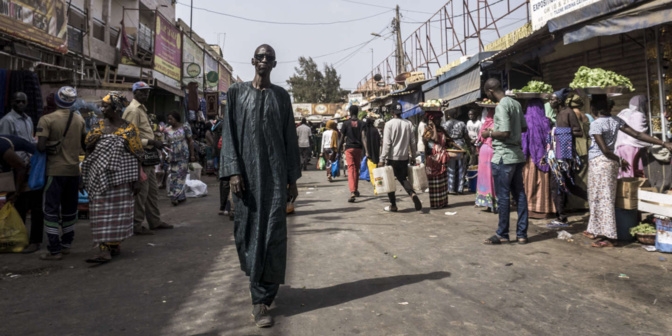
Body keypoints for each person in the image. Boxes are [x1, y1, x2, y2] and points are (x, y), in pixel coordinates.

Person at [219, 44, 301, 328]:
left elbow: (290, 138)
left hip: (276, 178)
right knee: (248, 232)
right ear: (253, 61)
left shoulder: (281, 97)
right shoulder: (236, 93)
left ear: (274, 64)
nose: (264, 60)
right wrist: (232, 171)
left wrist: (292, 178)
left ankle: (261, 299)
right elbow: (229, 133)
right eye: (260, 56)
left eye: (269, 57)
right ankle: (260, 286)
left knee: (273, 232)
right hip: (246, 179)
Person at [584, 95, 672, 247]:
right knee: (605, 198)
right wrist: (663, 142)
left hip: (601, 163)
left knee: (601, 199)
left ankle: (610, 237)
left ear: (593, 108)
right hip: (610, 163)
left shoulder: (597, 124)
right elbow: (638, 134)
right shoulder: (616, 120)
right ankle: (598, 230)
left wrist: (620, 160)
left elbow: (604, 150)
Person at [81, 92, 143, 264]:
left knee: (118, 214)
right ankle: (103, 250)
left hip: (122, 180)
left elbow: (137, 154)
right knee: (100, 213)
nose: (102, 109)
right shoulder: (98, 126)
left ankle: (113, 245)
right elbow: (88, 149)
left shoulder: (129, 129)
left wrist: (137, 179)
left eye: (106, 106)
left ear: (115, 108)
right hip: (100, 177)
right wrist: (84, 174)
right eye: (102, 105)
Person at [35, 86, 87, 260]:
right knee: (69, 209)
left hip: (54, 171)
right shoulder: (80, 120)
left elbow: (41, 146)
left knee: (50, 210)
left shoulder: (46, 120)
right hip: (73, 171)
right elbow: (85, 146)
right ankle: (66, 245)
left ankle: (54, 249)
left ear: (56, 99)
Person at [481, 78, 529, 245]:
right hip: (517, 155)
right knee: (520, 195)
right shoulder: (515, 103)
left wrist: (489, 133)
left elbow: (505, 133)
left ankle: (502, 234)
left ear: (490, 92)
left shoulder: (501, 106)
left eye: (487, 93)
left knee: (503, 196)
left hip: (504, 156)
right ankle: (522, 234)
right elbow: (523, 128)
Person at [122, 81, 173, 235]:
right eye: (143, 92)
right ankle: (136, 225)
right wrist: (150, 141)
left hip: (148, 155)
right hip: (139, 156)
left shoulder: (142, 110)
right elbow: (128, 136)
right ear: (135, 93)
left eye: (147, 92)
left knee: (152, 192)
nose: (146, 95)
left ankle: (155, 221)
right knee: (141, 193)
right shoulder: (133, 110)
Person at [0, 92, 43, 254]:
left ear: (26, 103)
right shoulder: (7, 121)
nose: (19, 104)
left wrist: (29, 165)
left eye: (22, 101)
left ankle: (35, 241)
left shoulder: (28, 119)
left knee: (35, 205)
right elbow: (8, 148)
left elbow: (29, 142)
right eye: (16, 101)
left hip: (30, 166)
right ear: (11, 102)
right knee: (19, 205)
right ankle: (19, 238)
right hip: (18, 167)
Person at [547, 90, 588, 226]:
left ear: (559, 100)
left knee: (557, 185)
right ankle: (593, 202)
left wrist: (560, 132)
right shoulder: (558, 114)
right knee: (567, 185)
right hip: (557, 155)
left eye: (552, 99)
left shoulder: (568, 112)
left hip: (565, 157)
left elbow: (578, 132)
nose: (550, 102)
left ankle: (562, 217)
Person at [380, 102, 422, 212]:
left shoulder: (389, 124)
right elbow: (413, 142)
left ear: (392, 112)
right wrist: (413, 156)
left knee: (390, 181)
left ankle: (393, 205)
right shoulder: (408, 123)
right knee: (403, 178)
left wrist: (382, 159)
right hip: (404, 157)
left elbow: (387, 143)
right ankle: (412, 194)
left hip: (392, 158)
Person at [521, 98, 555, 219]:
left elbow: (523, 141)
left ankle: (531, 209)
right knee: (544, 183)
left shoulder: (525, 120)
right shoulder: (546, 121)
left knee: (530, 182)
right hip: (544, 158)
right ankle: (546, 209)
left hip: (530, 157)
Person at [565, 93, 591, 211]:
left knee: (575, 178)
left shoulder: (573, 114)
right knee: (584, 178)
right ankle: (585, 204)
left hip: (576, 149)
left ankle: (576, 205)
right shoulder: (585, 116)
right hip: (585, 148)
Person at [163, 111, 195, 206]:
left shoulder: (185, 127)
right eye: (168, 119)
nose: (169, 121)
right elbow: (165, 144)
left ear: (176, 118)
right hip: (172, 156)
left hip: (183, 155)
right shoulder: (167, 130)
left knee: (181, 176)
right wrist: (164, 157)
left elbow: (191, 141)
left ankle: (175, 196)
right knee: (173, 177)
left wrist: (192, 155)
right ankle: (180, 196)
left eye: (171, 119)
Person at [615, 95, 648, 178]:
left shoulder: (622, 113)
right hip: (633, 149)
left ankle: (625, 189)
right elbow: (639, 134)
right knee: (634, 173)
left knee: (624, 173)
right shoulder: (638, 115)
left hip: (620, 147)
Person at [423, 111, 450, 209]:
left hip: (441, 157)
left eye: (439, 119)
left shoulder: (442, 129)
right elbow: (435, 139)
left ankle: (443, 202)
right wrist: (433, 126)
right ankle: (436, 204)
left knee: (442, 181)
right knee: (435, 181)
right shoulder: (428, 130)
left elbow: (448, 140)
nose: (439, 121)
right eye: (436, 119)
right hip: (432, 158)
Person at [442, 109, 472, 194]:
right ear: (456, 115)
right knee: (461, 168)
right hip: (460, 147)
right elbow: (466, 137)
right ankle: (459, 188)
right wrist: (469, 148)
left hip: (450, 147)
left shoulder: (445, 124)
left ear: (448, 116)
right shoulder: (462, 123)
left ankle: (450, 188)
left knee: (450, 167)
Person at [339, 105, 364, 202]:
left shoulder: (345, 123)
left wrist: (338, 148)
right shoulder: (362, 123)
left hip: (349, 148)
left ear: (350, 112)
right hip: (358, 148)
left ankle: (353, 191)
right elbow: (363, 138)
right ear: (357, 112)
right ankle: (355, 190)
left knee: (351, 169)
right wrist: (367, 150)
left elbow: (342, 138)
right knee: (356, 169)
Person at [475, 107, 497, 212]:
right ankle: (494, 203)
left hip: (483, 151)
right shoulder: (496, 125)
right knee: (492, 177)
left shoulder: (485, 125)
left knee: (484, 177)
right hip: (492, 151)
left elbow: (479, 140)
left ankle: (486, 202)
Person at [362, 117, 382, 194]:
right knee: (376, 171)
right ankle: (377, 186)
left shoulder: (365, 131)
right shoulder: (375, 130)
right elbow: (379, 142)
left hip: (369, 154)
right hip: (376, 154)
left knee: (371, 172)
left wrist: (367, 152)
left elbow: (364, 141)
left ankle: (376, 187)